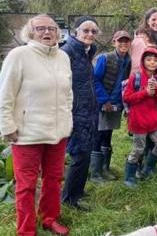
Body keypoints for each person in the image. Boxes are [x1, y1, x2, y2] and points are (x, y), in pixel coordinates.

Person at [0, 14, 72, 236]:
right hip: (27, 133)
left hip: (57, 133)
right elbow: (5, 95)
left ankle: (49, 218)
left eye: (51, 28)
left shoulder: (62, 57)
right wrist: (7, 126)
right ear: (30, 32)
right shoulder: (19, 56)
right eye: (40, 28)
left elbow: (68, 93)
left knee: (54, 179)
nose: (47, 32)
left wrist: (67, 118)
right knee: (26, 186)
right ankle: (26, 230)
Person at [61, 16, 99, 211]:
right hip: (75, 112)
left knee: (85, 153)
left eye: (93, 31)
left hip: (88, 111)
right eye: (86, 30)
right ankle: (68, 199)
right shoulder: (67, 52)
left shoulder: (86, 52)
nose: (90, 34)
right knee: (79, 155)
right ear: (76, 32)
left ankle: (77, 190)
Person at [130, 7, 157, 176]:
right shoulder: (140, 41)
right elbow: (136, 67)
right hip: (144, 91)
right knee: (143, 131)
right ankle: (139, 165)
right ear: (147, 21)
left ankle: (149, 164)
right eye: (153, 19)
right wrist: (143, 90)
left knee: (153, 127)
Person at [123, 48, 157, 187]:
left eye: (155, 60)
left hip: (154, 120)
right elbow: (127, 97)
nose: (152, 63)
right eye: (148, 60)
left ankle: (147, 168)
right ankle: (129, 177)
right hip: (138, 120)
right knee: (138, 149)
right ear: (143, 61)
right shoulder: (135, 77)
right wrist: (145, 92)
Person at [90, 31, 132, 182]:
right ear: (114, 42)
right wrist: (104, 100)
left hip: (117, 104)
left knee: (108, 135)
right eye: (120, 41)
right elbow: (95, 80)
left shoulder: (128, 60)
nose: (123, 44)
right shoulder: (105, 58)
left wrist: (125, 105)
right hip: (103, 104)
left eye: (126, 41)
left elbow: (126, 84)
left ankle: (104, 168)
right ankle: (95, 173)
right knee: (98, 135)